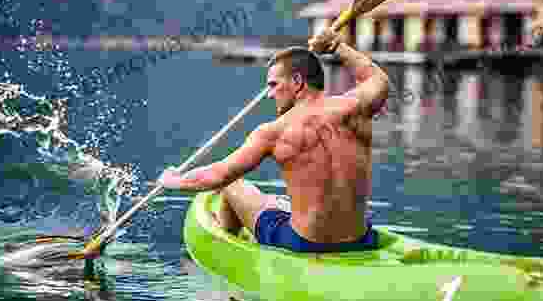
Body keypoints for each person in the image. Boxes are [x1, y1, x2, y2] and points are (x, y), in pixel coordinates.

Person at [154, 27, 394, 253]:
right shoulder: (356, 106)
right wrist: (337, 46)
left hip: (304, 243)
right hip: (362, 241)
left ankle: (228, 250)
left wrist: (174, 180)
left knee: (232, 185)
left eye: (273, 85)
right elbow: (377, 79)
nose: (269, 94)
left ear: (298, 82)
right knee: (280, 205)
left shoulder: (273, 131)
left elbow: (218, 175)